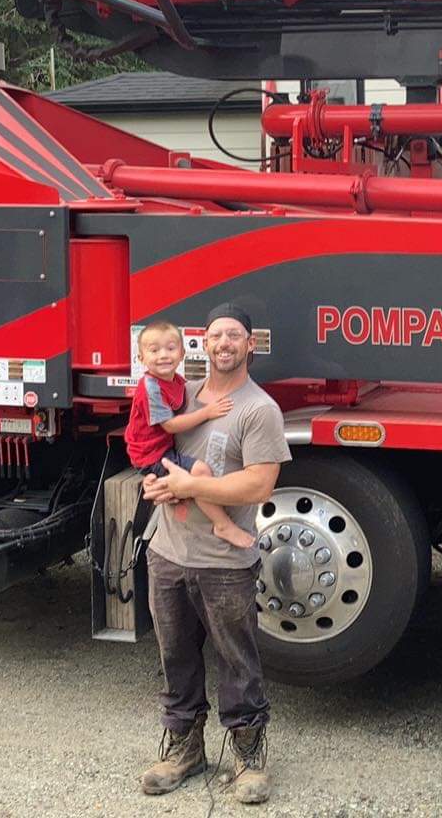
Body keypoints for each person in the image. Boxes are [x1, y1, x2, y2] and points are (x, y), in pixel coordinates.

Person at [138, 304, 290, 805]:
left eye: (235, 336)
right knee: (175, 656)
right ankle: (185, 749)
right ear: (203, 343)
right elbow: (155, 450)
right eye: (216, 335)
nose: (224, 343)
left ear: (251, 345)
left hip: (224, 565)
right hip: (167, 552)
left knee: (236, 660)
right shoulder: (180, 396)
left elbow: (260, 483)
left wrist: (189, 483)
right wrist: (156, 485)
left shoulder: (258, 408)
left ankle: (248, 753)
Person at [124, 320, 254, 550]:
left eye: (171, 348)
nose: (164, 355)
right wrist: (208, 412)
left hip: (161, 448)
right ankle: (222, 524)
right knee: (201, 472)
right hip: (152, 455)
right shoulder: (150, 387)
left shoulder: (176, 380)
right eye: (154, 351)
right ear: (141, 358)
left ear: (182, 353)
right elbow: (170, 425)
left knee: (179, 488)